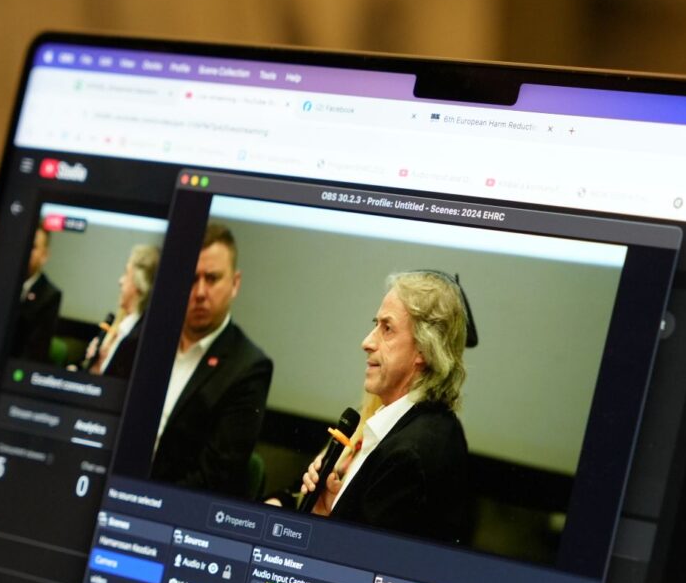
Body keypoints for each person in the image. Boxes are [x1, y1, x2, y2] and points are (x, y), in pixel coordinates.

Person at [300, 271, 471, 544]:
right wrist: (329, 512)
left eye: (387, 329)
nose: (367, 342)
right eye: (375, 325)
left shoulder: (409, 455)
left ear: (423, 349)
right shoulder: (428, 425)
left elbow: (356, 562)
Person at [151, 223, 273, 497]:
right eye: (191, 279)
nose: (200, 292)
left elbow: (215, 477)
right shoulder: (150, 339)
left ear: (235, 284)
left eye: (212, 278)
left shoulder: (249, 367)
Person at [85, 243, 160, 379]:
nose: (120, 281)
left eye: (126, 273)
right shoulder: (119, 324)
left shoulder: (138, 338)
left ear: (140, 282)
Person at [11, 227, 62, 362]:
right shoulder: (5, 283)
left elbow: (37, 350)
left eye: (33, 247)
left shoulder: (50, 295)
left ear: (44, 255)